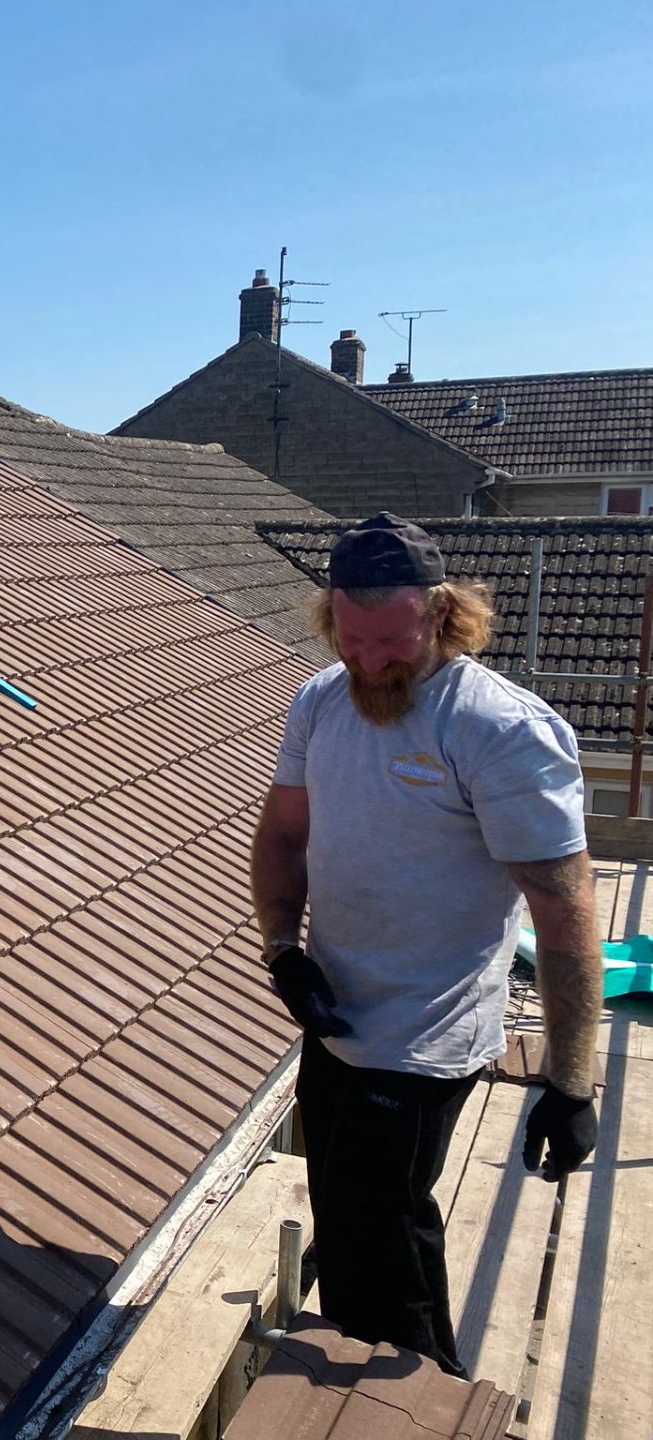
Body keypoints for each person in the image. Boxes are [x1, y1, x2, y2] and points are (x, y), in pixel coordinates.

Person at [249, 513, 602, 1377]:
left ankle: (420, 1404)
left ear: (442, 617)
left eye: (391, 641)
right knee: (347, 1225)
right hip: (336, 1018)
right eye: (351, 638)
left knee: (385, 1253)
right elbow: (283, 835)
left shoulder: (499, 730)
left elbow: (565, 915)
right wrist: (282, 954)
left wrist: (570, 1082)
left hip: (423, 1040)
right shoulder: (321, 699)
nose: (369, 661)